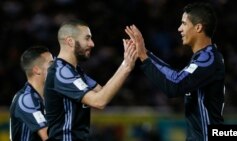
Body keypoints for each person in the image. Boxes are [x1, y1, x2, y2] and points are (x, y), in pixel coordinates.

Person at [125, 2, 225, 141]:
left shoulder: (208, 59)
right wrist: (145, 53)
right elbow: (176, 77)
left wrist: (144, 56)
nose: (179, 29)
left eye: (184, 24)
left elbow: (174, 85)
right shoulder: (204, 57)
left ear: (198, 27)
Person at [44, 19, 137, 141]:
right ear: (70, 41)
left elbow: (102, 92)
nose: (92, 44)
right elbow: (99, 101)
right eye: (87, 38)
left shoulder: (73, 71)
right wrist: (126, 66)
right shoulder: (62, 73)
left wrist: (127, 62)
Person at [9, 46, 53, 141]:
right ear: (37, 70)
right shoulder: (26, 99)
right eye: (51, 64)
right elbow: (47, 135)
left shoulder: (46, 98)